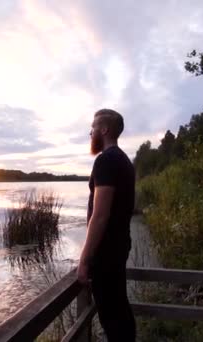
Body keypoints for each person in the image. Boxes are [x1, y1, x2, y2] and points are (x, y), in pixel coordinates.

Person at [77, 108, 136, 341]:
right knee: (120, 310)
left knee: (112, 317)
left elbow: (100, 215)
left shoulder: (106, 160)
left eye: (92, 129)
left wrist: (84, 260)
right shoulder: (124, 161)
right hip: (119, 246)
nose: (90, 133)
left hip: (106, 253)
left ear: (104, 130)